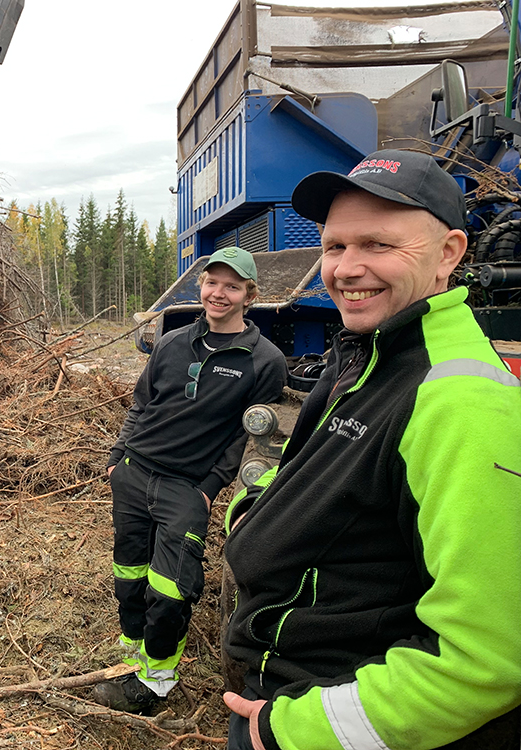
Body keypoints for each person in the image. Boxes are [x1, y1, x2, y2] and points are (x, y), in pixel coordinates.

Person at [222, 149, 521, 749]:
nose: (347, 268)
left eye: (379, 246)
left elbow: (487, 658)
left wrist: (291, 730)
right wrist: (257, 513)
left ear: (450, 254)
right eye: (335, 247)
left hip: (334, 722)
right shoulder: (372, 358)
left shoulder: (458, 400)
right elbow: (339, 484)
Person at [94, 247, 287, 713]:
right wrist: (118, 457)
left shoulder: (264, 360)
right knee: (128, 570)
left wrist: (209, 487)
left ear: (249, 295)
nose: (219, 293)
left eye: (232, 286)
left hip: (186, 488)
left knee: (171, 587)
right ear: (200, 287)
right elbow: (142, 403)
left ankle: (157, 678)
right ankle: (132, 645)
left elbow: (247, 438)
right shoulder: (171, 343)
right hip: (134, 474)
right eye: (212, 282)